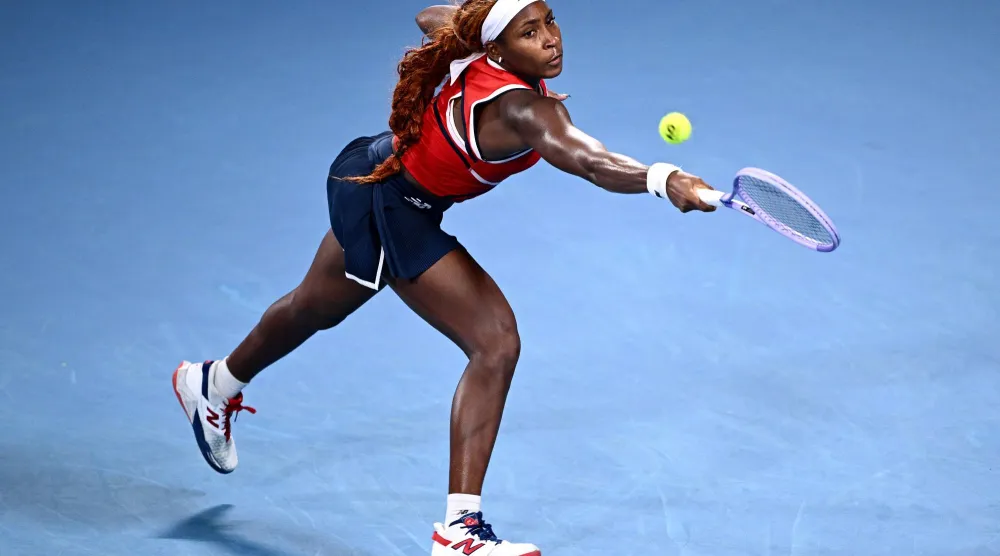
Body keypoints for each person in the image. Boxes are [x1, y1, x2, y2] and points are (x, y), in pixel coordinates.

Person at [171, 0, 716, 554]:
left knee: (315, 306)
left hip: (372, 175)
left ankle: (212, 383)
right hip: (394, 202)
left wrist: (472, 28)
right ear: (500, 49)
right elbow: (592, 162)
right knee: (495, 342)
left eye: (550, 20)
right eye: (530, 32)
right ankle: (459, 531)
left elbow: (430, 17)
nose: (551, 38)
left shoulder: (486, 53)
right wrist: (663, 178)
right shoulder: (526, 111)